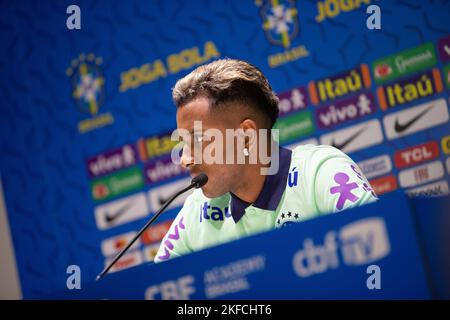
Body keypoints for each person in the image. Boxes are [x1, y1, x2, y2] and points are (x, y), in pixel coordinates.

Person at [154, 59, 377, 263]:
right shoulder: (198, 210)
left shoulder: (321, 172)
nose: (184, 159)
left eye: (199, 139)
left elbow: (382, 252)